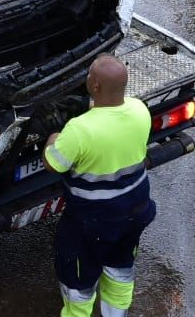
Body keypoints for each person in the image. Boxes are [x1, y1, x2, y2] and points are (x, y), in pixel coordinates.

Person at [45, 55, 156, 317]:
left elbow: (53, 164)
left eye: (89, 76)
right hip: (135, 210)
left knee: (79, 284)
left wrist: (53, 137)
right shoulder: (140, 110)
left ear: (94, 86)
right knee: (120, 269)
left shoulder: (79, 130)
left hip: (92, 222)